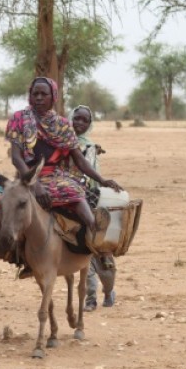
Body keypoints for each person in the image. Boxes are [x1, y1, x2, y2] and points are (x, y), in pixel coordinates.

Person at [0, 77, 121, 286]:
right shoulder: (19, 119)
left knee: (77, 197)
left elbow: (79, 161)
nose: (39, 98)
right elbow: (16, 157)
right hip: (26, 176)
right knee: (0, 207)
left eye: (44, 94)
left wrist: (102, 180)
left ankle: (100, 248)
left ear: (54, 97)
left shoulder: (62, 125)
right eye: (36, 94)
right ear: (30, 95)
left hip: (58, 177)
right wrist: (34, 184)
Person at [72, 105, 116, 311]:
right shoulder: (64, 141)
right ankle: (90, 297)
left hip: (90, 198)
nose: (79, 123)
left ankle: (108, 290)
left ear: (90, 125)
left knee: (101, 250)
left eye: (84, 120)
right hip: (70, 197)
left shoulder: (88, 147)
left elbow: (86, 172)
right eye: (76, 119)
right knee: (84, 249)